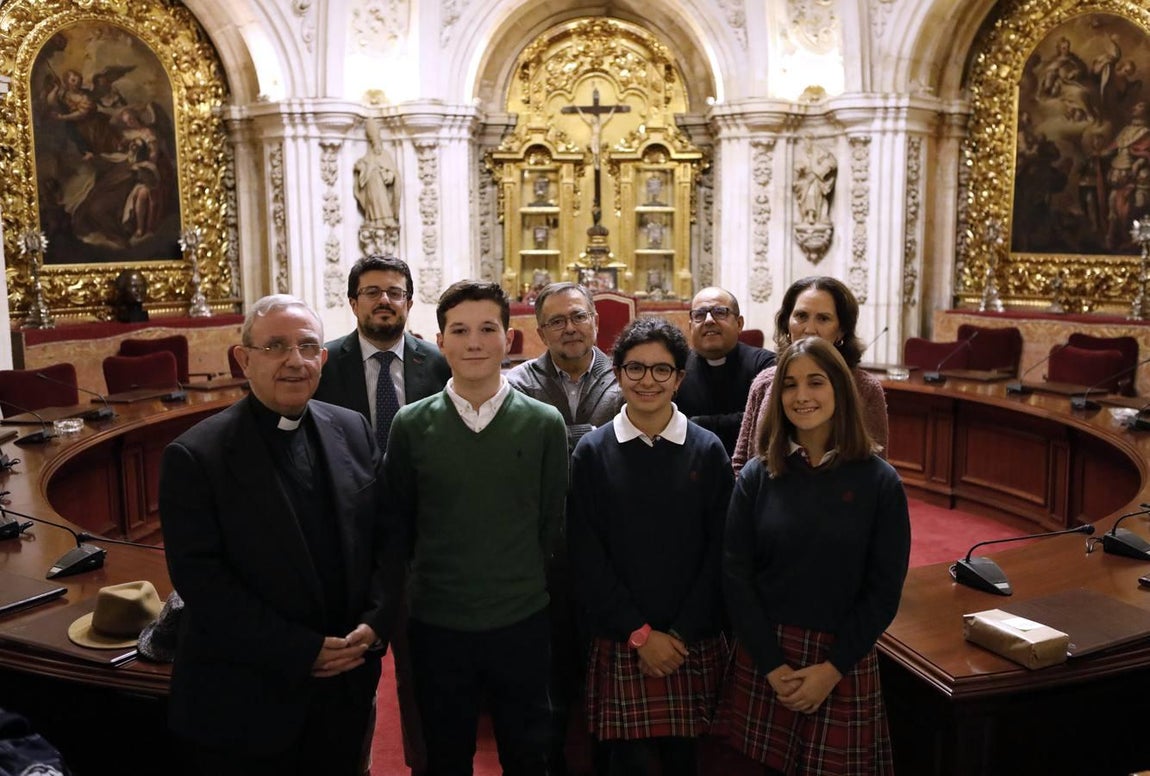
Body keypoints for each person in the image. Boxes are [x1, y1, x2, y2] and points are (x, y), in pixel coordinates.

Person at [159, 294, 394, 775]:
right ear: (244, 359)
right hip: (249, 702)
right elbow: (202, 583)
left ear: (323, 359)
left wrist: (377, 620)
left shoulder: (352, 429)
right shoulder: (195, 456)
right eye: (276, 347)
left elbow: (385, 538)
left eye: (308, 346)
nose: (295, 361)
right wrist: (299, 651)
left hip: (344, 689)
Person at [386, 280, 568, 775]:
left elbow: (551, 523)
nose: (473, 342)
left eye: (487, 329)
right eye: (460, 330)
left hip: (521, 620)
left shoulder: (543, 422)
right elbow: (400, 525)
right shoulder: (410, 424)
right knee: (446, 754)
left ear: (509, 339)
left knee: (527, 752)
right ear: (439, 341)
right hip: (439, 624)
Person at [715, 336, 910, 775]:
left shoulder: (880, 482)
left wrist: (832, 668)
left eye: (815, 382)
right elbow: (736, 574)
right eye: (789, 385)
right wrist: (770, 663)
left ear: (840, 389)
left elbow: (883, 590)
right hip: (766, 656)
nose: (801, 396)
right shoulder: (757, 473)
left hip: (839, 661)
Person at [568, 317, 733, 776]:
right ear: (617, 373)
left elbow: (721, 551)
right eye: (635, 368)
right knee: (626, 766)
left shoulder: (708, 450)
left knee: (687, 762)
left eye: (662, 370)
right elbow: (586, 553)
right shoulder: (593, 452)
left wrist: (677, 635)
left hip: (689, 641)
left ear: (680, 378)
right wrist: (639, 634)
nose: (647, 381)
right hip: (622, 639)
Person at [313, 254, 449, 775]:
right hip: (347, 542)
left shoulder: (439, 363)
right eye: (371, 291)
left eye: (394, 291)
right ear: (352, 302)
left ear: (410, 302)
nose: (384, 300)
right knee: (352, 673)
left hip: (423, 540)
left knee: (424, 676)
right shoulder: (323, 364)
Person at [506, 281, 624, 773]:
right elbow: (517, 459)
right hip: (547, 545)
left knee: (606, 661)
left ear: (596, 321)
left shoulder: (627, 376)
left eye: (578, 317)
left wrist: (560, 439)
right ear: (540, 330)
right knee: (550, 661)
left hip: (613, 542)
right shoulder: (516, 381)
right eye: (556, 320)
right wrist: (591, 439)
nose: (569, 328)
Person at [731, 276, 888, 475]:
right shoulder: (765, 382)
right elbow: (741, 463)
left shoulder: (865, 388)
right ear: (787, 324)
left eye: (823, 318)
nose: (810, 329)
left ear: (841, 331)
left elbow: (877, 471)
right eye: (801, 316)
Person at [675, 287, 775, 456]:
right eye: (700, 314)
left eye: (720, 312)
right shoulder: (676, 368)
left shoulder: (765, 365)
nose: (708, 320)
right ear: (691, 326)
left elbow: (766, 420)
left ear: (739, 323)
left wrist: (696, 423)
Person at [354, 117, 400, 228]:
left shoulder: (385, 155)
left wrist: (389, 175)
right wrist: (362, 168)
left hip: (380, 185)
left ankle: (386, 219)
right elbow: (360, 165)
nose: (376, 147)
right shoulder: (368, 157)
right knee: (373, 201)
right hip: (371, 185)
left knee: (382, 200)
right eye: (373, 143)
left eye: (377, 142)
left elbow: (393, 173)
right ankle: (373, 220)